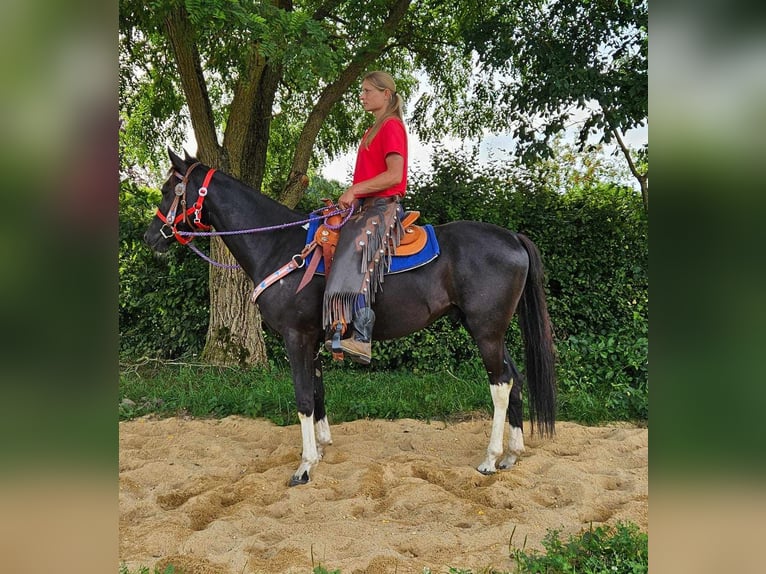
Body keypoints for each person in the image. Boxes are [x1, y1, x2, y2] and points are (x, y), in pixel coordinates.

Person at [323, 71, 408, 365]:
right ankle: (337, 327)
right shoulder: (371, 131)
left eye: (368, 90)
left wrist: (355, 189)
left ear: (386, 94)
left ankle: (361, 336)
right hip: (365, 207)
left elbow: (395, 175)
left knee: (356, 255)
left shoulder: (391, 126)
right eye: (362, 91)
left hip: (383, 209)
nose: (362, 95)